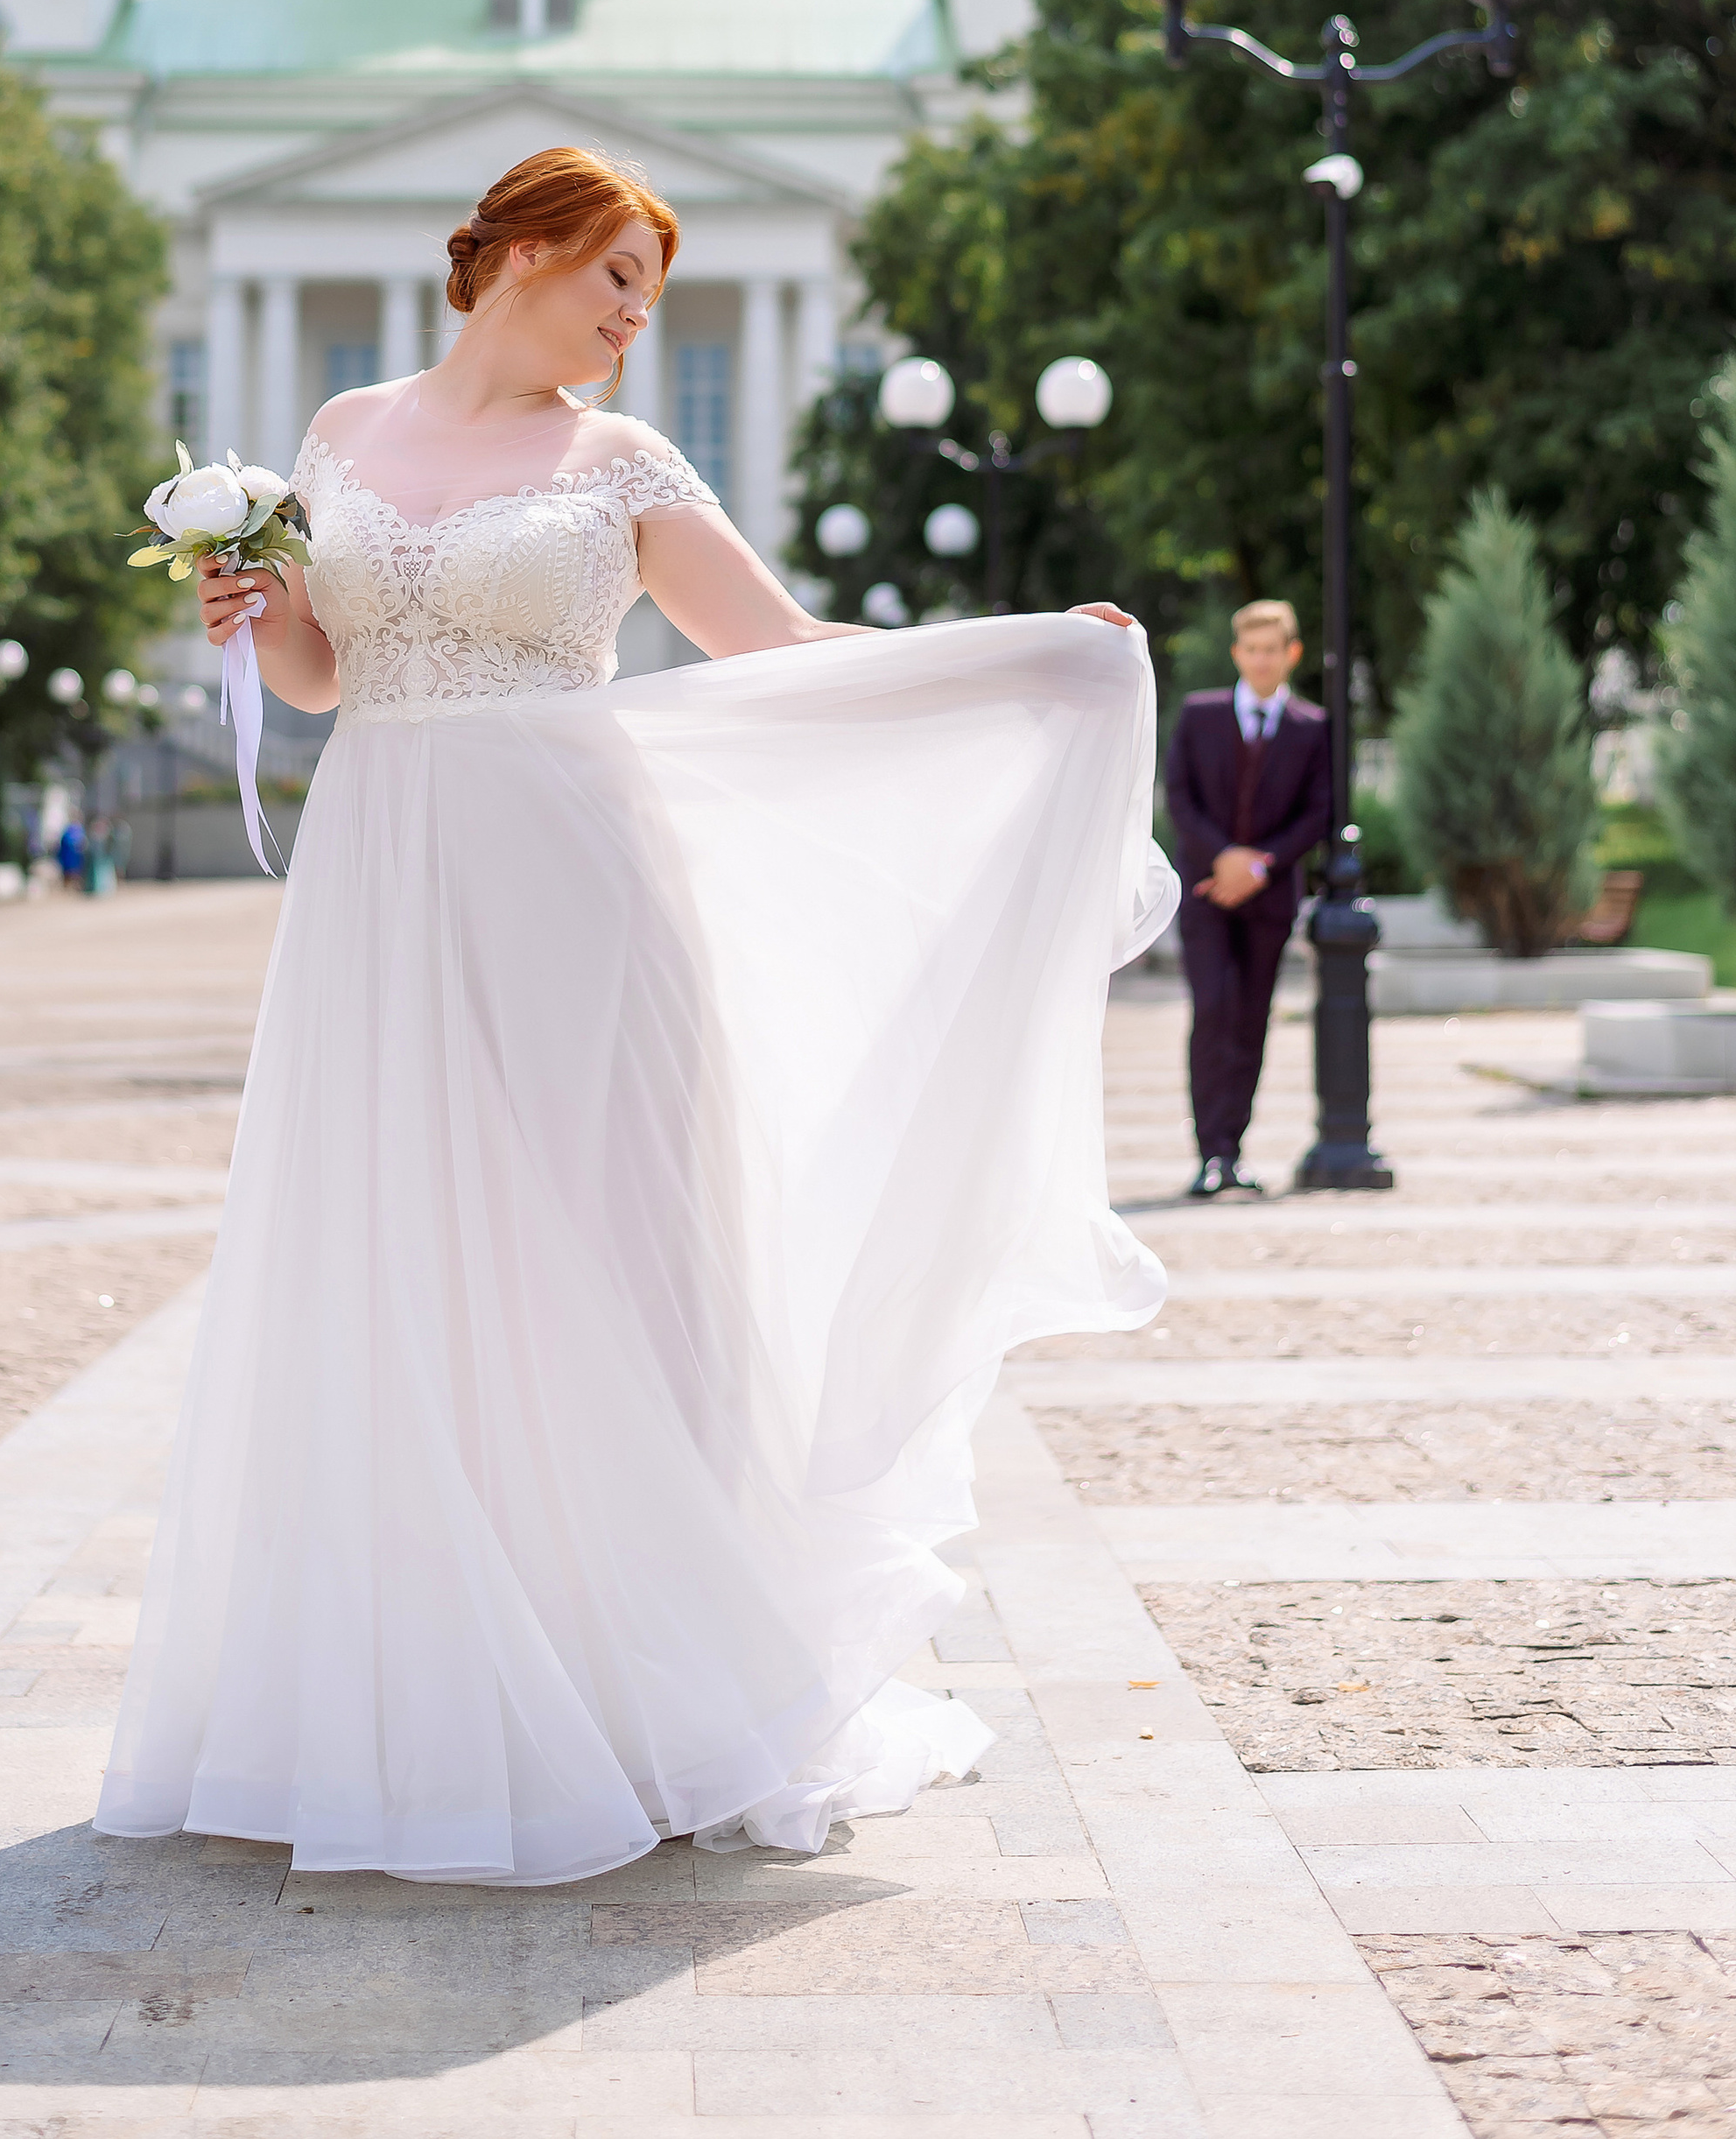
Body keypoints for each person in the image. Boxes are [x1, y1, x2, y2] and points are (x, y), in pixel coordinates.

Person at [96, 145, 1177, 1885]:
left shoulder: (621, 464)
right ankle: (411, 1689)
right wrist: (254, 608)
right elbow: (322, 677)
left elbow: (784, 649)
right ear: (514, 251)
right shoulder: (344, 433)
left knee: (608, 1259)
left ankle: (648, 1689)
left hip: (582, 892)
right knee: (396, 1259)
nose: (623, 321)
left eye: (645, 300)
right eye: (609, 279)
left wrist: (1025, 654)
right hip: (382, 885)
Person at [1163, 600, 1332, 1196]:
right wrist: (1223, 857)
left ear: (1291, 654)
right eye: (1251, 649)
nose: (1262, 660)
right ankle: (1208, 1154)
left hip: (1267, 898)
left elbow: (1318, 811)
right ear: (1238, 654)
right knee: (1212, 1008)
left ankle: (1234, 1152)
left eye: (1273, 650)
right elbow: (1178, 796)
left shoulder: (1313, 727)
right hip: (1209, 891)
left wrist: (1260, 864)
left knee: (1251, 1019)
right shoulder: (1200, 714)